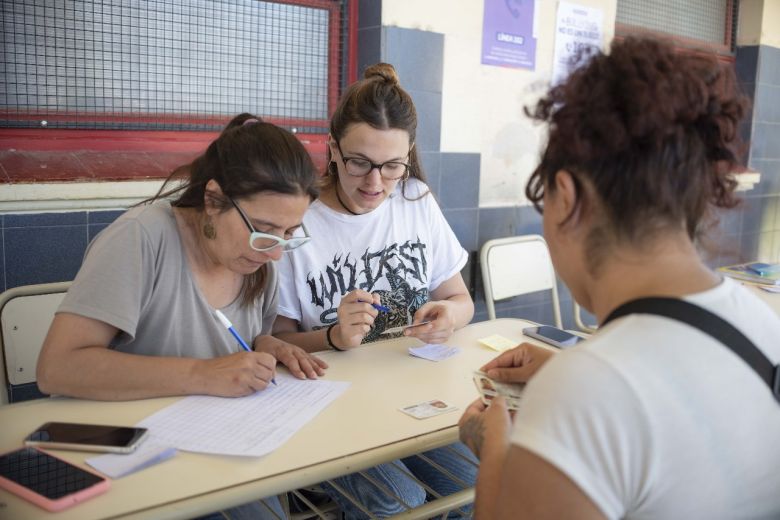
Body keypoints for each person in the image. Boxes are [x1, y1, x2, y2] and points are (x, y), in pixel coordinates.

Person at [458, 37, 780, 519]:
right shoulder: (761, 323)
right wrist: (567, 373)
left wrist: (496, 448)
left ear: (565, 197)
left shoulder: (586, 392)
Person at [37, 114, 329, 518]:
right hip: (127, 454)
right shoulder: (141, 238)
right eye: (263, 229)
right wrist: (202, 374)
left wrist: (270, 345)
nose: (276, 251)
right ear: (213, 199)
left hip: (222, 444)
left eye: (289, 233)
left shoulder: (259, 254)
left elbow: (244, 338)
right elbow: (58, 368)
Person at [272, 63, 477, 518]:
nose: (374, 183)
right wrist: (333, 338)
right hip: (330, 406)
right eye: (359, 162)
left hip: (409, 396)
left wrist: (447, 313)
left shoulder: (416, 199)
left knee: (475, 483)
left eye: (391, 167)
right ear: (332, 149)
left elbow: (463, 301)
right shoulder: (297, 220)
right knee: (399, 502)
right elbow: (274, 343)